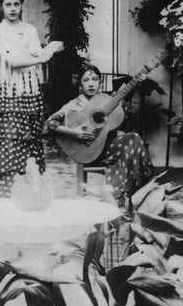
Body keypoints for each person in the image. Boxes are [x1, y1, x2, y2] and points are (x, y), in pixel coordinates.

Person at [0, 0, 63, 197]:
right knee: (9, 144)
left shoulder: (30, 30)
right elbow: (13, 61)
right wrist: (45, 54)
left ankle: (30, 198)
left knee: (31, 146)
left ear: (22, 4)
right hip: (8, 94)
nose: (12, 8)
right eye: (8, 4)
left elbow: (31, 55)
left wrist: (37, 55)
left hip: (30, 95)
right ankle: (5, 199)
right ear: (1, 7)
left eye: (16, 4)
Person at [43, 63, 155, 206]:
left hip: (108, 149)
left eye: (95, 79)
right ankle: (144, 189)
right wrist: (74, 133)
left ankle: (128, 195)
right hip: (88, 152)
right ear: (80, 84)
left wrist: (138, 88)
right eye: (86, 80)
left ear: (100, 82)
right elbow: (49, 124)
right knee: (132, 143)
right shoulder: (74, 104)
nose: (91, 84)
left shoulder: (106, 101)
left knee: (133, 139)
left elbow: (133, 112)